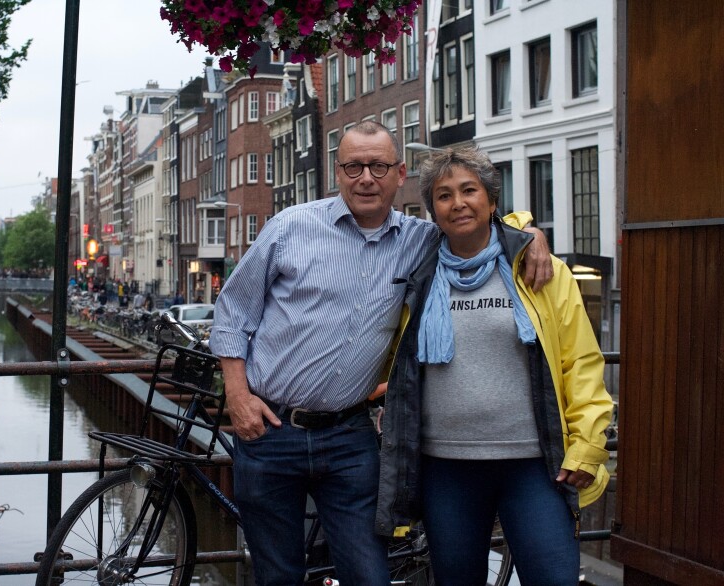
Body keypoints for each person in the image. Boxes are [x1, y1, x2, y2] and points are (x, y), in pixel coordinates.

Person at [209, 121, 553, 586]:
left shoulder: (421, 239)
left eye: (378, 166)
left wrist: (530, 232)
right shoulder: (290, 227)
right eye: (353, 166)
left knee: (369, 575)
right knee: (277, 575)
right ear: (338, 171)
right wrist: (236, 393)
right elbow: (233, 310)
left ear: (400, 173)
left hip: (351, 437)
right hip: (271, 430)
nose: (365, 178)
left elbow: (475, 219)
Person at [375, 145, 613, 585]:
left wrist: (588, 445)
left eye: (470, 190)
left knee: (554, 577)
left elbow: (579, 361)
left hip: (533, 464)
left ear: (492, 200)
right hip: (446, 465)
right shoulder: (417, 274)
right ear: (433, 211)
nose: (458, 202)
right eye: (444, 195)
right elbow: (393, 356)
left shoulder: (540, 271)